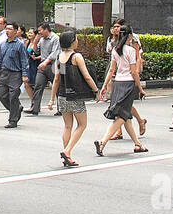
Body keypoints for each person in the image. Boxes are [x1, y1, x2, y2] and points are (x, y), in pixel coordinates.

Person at [47, 31, 102, 166]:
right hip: (75, 96)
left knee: (67, 126)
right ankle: (67, 151)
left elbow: (56, 79)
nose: (77, 41)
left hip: (62, 96)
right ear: (72, 42)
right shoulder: (76, 56)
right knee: (82, 125)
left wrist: (52, 99)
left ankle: (68, 155)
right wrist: (96, 91)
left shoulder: (59, 57)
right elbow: (87, 76)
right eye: (76, 39)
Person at [95, 26, 143, 156]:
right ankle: (102, 142)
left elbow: (111, 70)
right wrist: (140, 87)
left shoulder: (115, 50)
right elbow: (134, 72)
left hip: (118, 84)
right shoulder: (131, 51)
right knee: (122, 116)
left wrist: (105, 85)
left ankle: (138, 144)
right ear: (129, 36)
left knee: (125, 116)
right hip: (128, 85)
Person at [0, 21, 28, 129]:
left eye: (10, 29)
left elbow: (24, 60)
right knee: (1, 95)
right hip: (4, 73)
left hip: (15, 74)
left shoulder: (20, 44)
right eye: (6, 29)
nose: (7, 31)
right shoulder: (3, 44)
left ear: (16, 31)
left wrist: (24, 74)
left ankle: (13, 120)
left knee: (13, 96)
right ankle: (16, 109)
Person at [26, 22, 60, 115]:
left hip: (54, 65)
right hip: (42, 66)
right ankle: (35, 108)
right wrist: (36, 42)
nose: (39, 32)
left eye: (40, 30)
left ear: (46, 29)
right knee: (38, 85)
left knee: (57, 87)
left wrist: (45, 62)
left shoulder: (55, 38)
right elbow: (37, 51)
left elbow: (55, 53)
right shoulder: (41, 39)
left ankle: (61, 109)